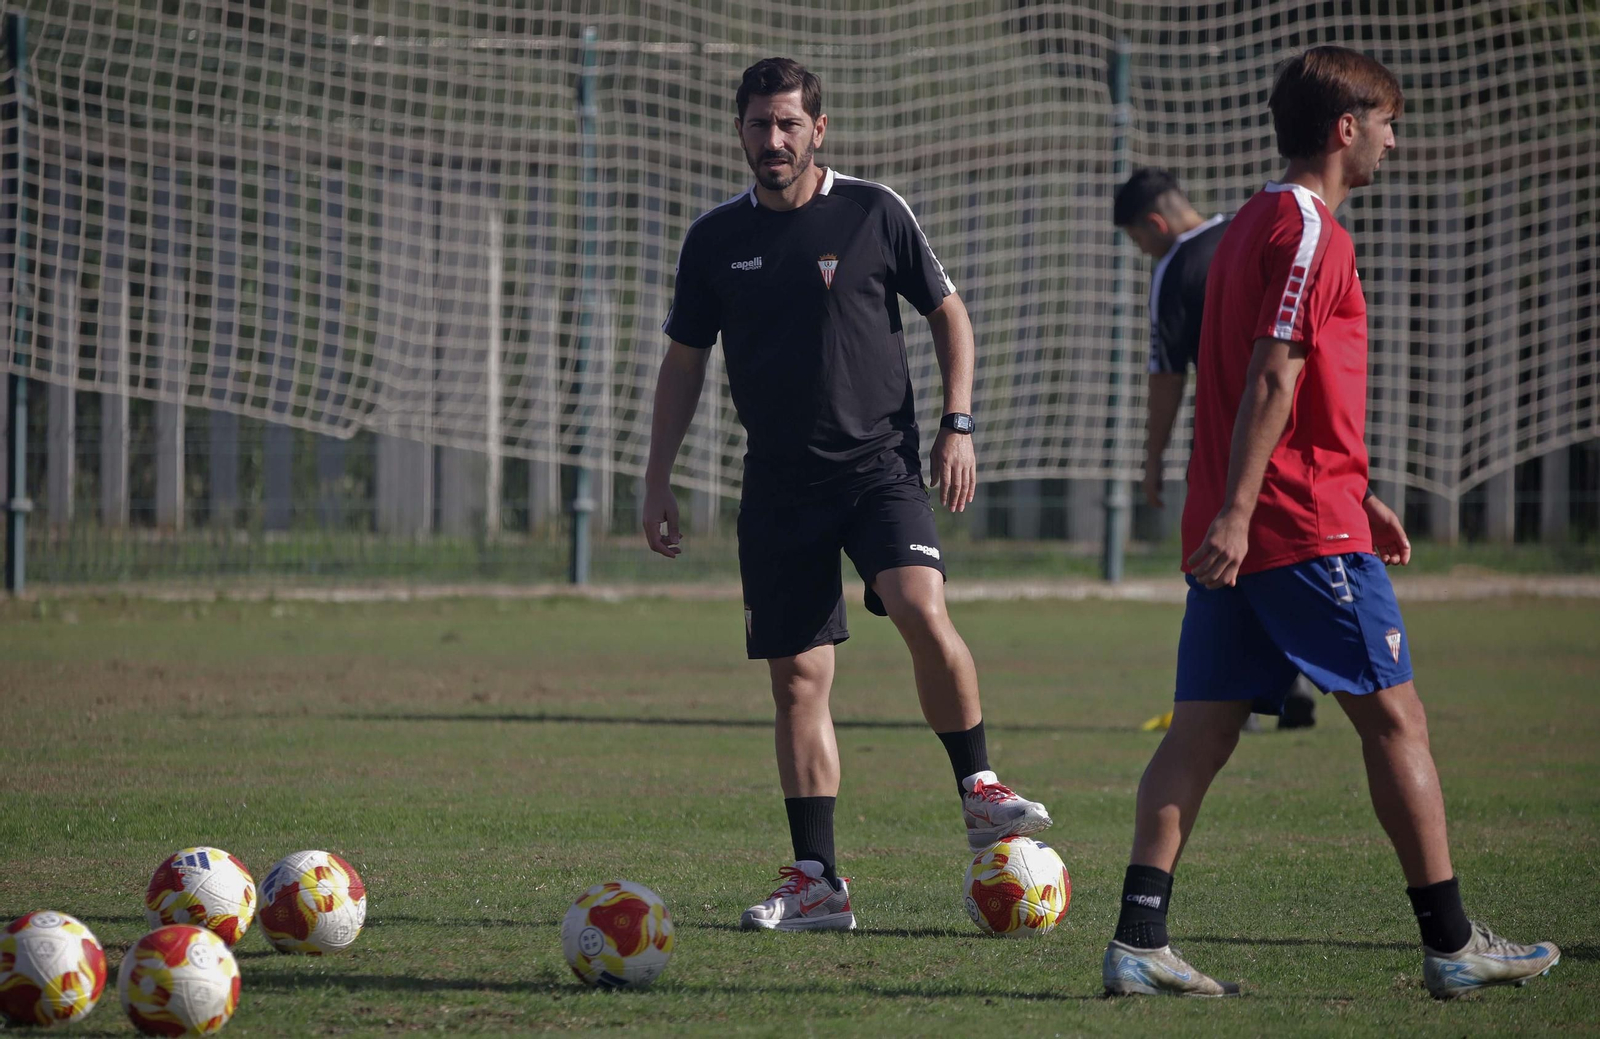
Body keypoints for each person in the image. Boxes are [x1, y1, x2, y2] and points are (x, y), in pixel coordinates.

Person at [1101, 46, 1560, 999]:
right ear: (1345, 128)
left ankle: (1139, 940)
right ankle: (1450, 941)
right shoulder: (1310, 231)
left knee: (1199, 733)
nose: (1396, 137)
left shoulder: (1247, 226)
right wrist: (1250, 507)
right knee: (1397, 719)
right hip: (1293, 529)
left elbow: (1274, 391)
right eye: (1388, 120)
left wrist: (1355, 486)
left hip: (1272, 516)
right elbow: (1271, 375)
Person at [642, 57, 1050, 933]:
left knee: (917, 604)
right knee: (798, 680)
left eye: (789, 123)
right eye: (758, 124)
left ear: (818, 129)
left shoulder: (874, 210)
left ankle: (979, 786)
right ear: (740, 130)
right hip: (779, 484)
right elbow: (684, 362)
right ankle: (819, 879)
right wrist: (656, 474)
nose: (773, 140)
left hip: (879, 468)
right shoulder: (714, 239)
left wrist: (959, 422)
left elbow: (949, 312)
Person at [1114, 168, 1317, 732]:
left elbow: (1166, 375)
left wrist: (1152, 458)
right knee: (1283, 551)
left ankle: (1233, 693)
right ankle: (1292, 679)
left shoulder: (1176, 267)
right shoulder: (1253, 235)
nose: (1145, 251)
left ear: (1154, 224)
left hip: (1230, 437)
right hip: (1295, 427)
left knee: (1221, 557)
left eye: (1138, 240)